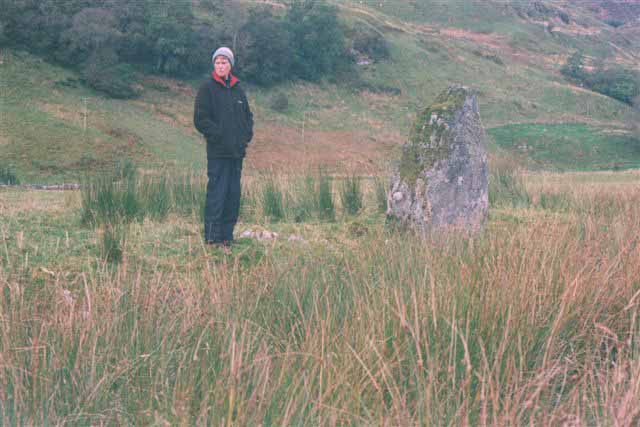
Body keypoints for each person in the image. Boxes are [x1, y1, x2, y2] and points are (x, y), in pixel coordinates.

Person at [194, 47, 253, 246]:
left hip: (236, 154)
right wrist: (219, 136)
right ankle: (212, 238)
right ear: (214, 65)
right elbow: (201, 120)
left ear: (230, 65)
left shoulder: (238, 89)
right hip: (218, 153)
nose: (220, 65)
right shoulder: (206, 88)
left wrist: (245, 137)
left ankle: (227, 237)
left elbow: (247, 117)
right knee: (216, 195)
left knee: (232, 196)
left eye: (224, 62)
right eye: (217, 62)